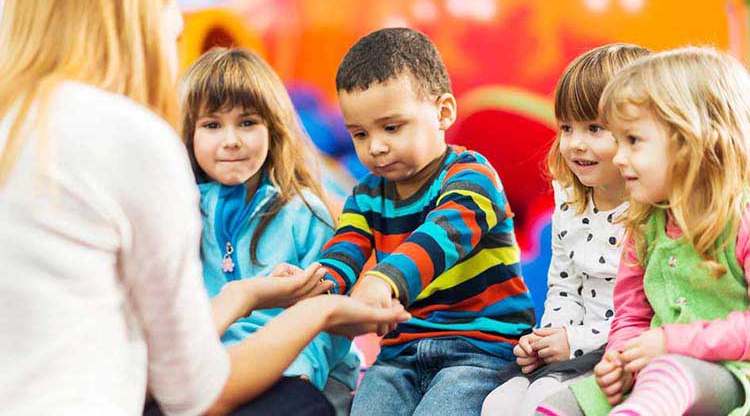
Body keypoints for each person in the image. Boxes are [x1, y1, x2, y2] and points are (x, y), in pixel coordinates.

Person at [0, 0, 409, 414]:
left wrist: (262, 307)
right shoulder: (134, 142)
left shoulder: (18, 127)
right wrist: (319, 311)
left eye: (247, 123)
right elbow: (191, 387)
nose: (178, 22)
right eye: (165, 4)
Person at [318, 27, 536, 416]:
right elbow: (344, 249)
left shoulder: (472, 176)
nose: (376, 146)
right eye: (360, 134)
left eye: (391, 127)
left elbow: (442, 235)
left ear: (443, 112)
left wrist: (383, 279)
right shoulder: (367, 195)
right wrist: (317, 281)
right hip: (399, 355)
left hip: (479, 350)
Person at [536, 47, 750, 416]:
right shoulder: (645, 222)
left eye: (633, 141)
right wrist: (619, 359)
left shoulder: (740, 219)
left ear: (689, 141)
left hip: (732, 374)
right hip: (652, 367)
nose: (620, 158)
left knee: (670, 373)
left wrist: (670, 342)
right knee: (556, 406)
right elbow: (631, 313)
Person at [180, 47, 360, 413]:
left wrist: (300, 371)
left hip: (302, 373)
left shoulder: (305, 213)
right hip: (222, 373)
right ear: (190, 135)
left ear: (273, 130)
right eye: (212, 125)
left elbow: (327, 320)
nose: (231, 139)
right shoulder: (182, 213)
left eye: (247, 123)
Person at [481, 43, 649, 416]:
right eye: (567, 128)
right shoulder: (571, 203)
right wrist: (547, 340)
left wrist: (573, 342)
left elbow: (647, 313)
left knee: (539, 401)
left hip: (619, 352)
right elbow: (564, 285)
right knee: (497, 403)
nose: (575, 144)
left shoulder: (649, 212)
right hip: (569, 346)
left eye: (594, 128)